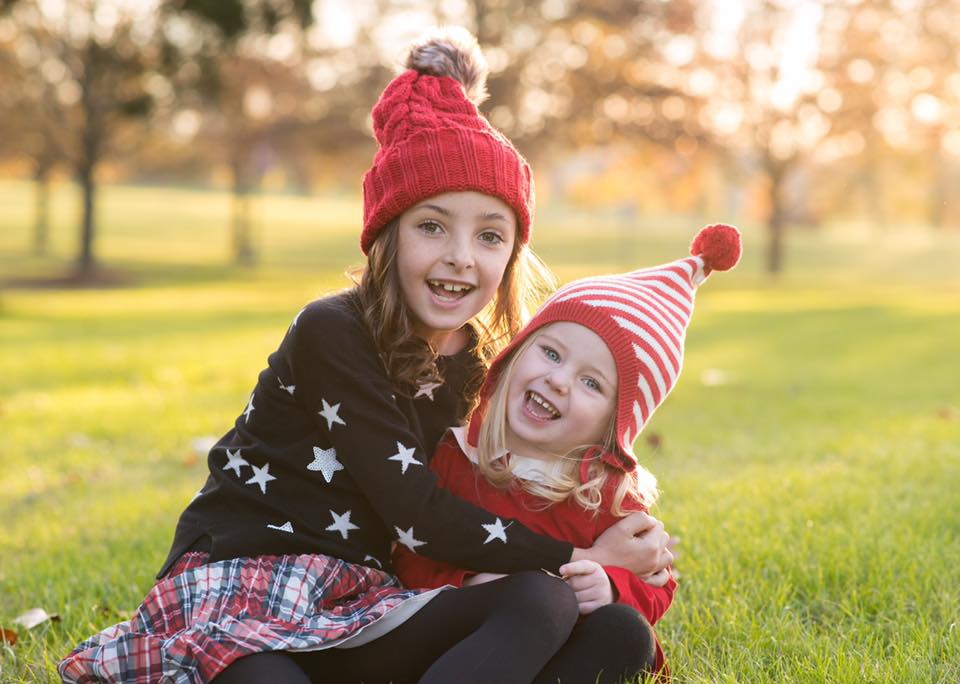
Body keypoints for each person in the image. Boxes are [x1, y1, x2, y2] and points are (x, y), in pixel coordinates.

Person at [58, 28, 672, 684]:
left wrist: (615, 557)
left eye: (489, 235)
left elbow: (522, 485)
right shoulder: (334, 331)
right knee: (270, 681)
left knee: (601, 625)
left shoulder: (487, 362)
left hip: (363, 605)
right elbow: (419, 512)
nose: (461, 255)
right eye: (432, 226)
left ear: (511, 256)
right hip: (248, 586)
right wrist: (579, 549)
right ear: (388, 235)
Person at [393, 223, 742, 683]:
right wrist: (477, 587)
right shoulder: (459, 457)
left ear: (613, 427)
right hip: (465, 646)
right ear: (516, 355)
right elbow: (409, 560)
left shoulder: (606, 494)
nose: (559, 381)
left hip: (556, 659)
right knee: (529, 607)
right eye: (552, 354)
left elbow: (658, 582)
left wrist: (613, 585)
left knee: (626, 633)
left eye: (591, 382)